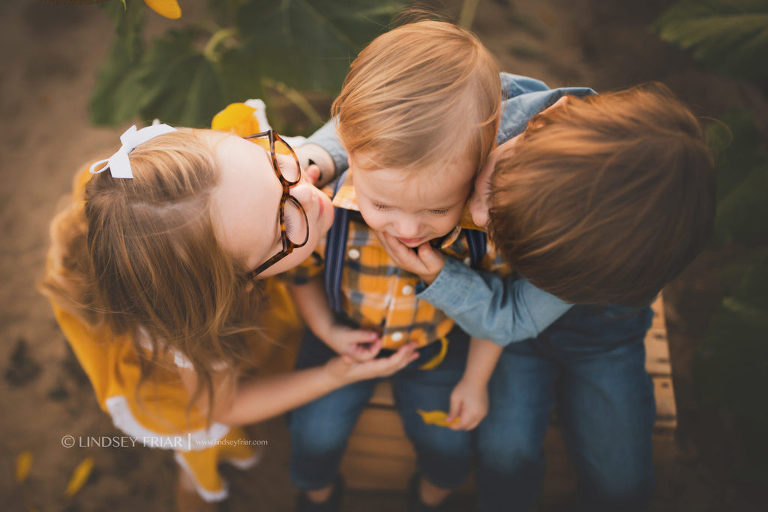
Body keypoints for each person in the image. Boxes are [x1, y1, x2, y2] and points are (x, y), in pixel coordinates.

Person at [324, 81, 716, 511]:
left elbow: (516, 317)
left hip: (599, 338)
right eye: (496, 203)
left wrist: (443, 276)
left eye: (498, 229)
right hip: (505, 333)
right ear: (541, 121)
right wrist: (321, 156)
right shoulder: (483, 104)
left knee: (619, 476)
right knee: (505, 451)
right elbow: (381, 111)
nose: (475, 215)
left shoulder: (596, 249)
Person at [286, 20, 594, 512]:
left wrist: (474, 383)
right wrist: (326, 332)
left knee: (449, 445)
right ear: (353, 155)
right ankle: (318, 496)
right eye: (383, 203)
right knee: (313, 435)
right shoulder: (329, 207)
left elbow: (497, 304)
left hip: (434, 347)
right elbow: (299, 274)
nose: (409, 229)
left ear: (477, 170)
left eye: (435, 210)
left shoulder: (481, 226)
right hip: (341, 337)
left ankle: (430, 499)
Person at [40, 120, 419, 510]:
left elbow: (366, 115)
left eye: (279, 166)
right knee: (204, 436)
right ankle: (194, 490)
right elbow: (226, 405)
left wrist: (314, 158)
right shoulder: (197, 332)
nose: (309, 192)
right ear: (242, 287)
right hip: (197, 365)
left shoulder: (236, 179)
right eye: (284, 225)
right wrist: (332, 375)